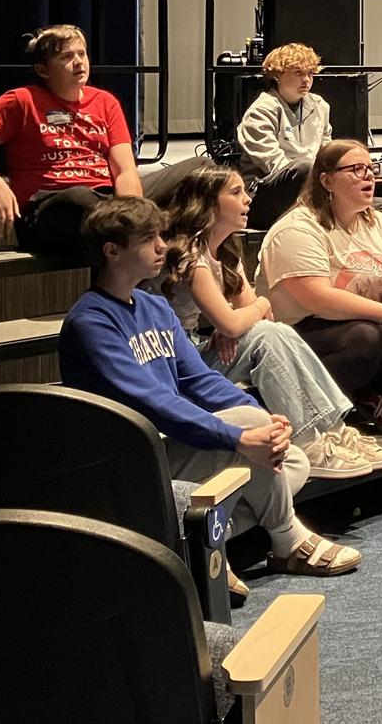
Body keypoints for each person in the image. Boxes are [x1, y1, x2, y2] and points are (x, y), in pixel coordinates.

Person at [59, 196, 361, 581]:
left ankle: (201, 545)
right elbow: (154, 403)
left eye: (160, 236)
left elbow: (197, 379)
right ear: (112, 251)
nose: (162, 247)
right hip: (129, 460)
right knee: (260, 451)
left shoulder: (154, 307)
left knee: (291, 457)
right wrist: (237, 436)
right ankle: (288, 540)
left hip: (173, 449)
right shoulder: (91, 322)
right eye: (148, 239)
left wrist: (265, 423)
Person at [156, 161, 382, 479]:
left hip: (199, 350)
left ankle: (333, 431)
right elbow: (240, 319)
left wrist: (236, 323)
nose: (248, 200)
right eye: (237, 192)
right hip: (175, 367)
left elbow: (250, 317)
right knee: (267, 336)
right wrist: (239, 320)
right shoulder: (189, 254)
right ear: (209, 202)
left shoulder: (224, 252)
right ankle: (309, 440)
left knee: (272, 331)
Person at [255, 139, 382, 437]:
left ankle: (367, 396)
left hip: (361, 324)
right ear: (326, 180)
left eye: (370, 168)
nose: (369, 175)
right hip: (298, 333)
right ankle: (313, 413)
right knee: (365, 337)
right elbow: (317, 298)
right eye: (356, 169)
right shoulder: (296, 228)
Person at [0, 23, 143, 258]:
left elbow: (124, 171)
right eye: (66, 57)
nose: (79, 62)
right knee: (79, 198)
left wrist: (134, 214)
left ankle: (130, 236)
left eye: (82, 53)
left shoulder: (105, 102)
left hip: (107, 202)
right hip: (50, 207)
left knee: (193, 175)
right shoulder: (21, 101)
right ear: (43, 70)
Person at [237, 42, 382, 231]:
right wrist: (321, 187)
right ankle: (322, 221)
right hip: (267, 195)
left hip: (314, 189)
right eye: (299, 73)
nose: (306, 80)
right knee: (303, 166)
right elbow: (274, 164)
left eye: (310, 74)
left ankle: (332, 230)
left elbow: (328, 155)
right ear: (277, 75)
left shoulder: (319, 106)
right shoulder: (261, 111)